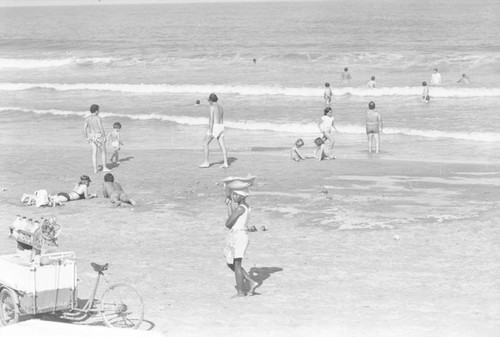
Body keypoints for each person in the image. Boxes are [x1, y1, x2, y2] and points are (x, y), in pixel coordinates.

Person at [224, 188, 258, 297]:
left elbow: (228, 223)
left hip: (238, 237)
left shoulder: (240, 209)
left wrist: (230, 220)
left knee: (236, 265)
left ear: (243, 196)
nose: (234, 196)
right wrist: (229, 205)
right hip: (238, 235)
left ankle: (240, 292)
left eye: (236, 195)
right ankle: (250, 282)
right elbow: (232, 220)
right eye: (233, 194)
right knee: (232, 263)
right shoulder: (245, 207)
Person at [199, 93, 229, 168]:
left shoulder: (212, 107)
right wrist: (221, 129)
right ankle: (225, 163)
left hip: (214, 127)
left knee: (205, 143)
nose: (209, 102)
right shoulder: (221, 107)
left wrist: (211, 130)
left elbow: (211, 120)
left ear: (211, 100)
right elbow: (221, 119)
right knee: (222, 145)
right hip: (221, 126)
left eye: (209, 100)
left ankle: (206, 162)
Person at [84, 104, 111, 173]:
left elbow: (84, 129)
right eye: (98, 110)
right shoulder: (98, 118)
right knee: (103, 152)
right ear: (96, 111)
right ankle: (104, 167)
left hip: (91, 136)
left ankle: (95, 169)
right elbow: (101, 128)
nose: (99, 111)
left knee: (94, 152)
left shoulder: (87, 118)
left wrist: (86, 137)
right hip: (98, 136)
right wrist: (104, 136)